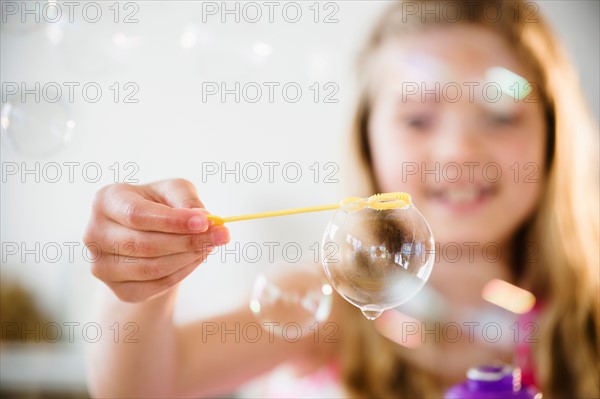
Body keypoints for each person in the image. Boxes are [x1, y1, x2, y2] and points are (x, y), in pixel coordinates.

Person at [84, 1, 599, 397]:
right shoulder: (326, 310)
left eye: (500, 114)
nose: (460, 150)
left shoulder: (589, 321)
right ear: (367, 142)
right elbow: (143, 385)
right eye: (417, 118)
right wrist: (142, 286)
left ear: (554, 135)